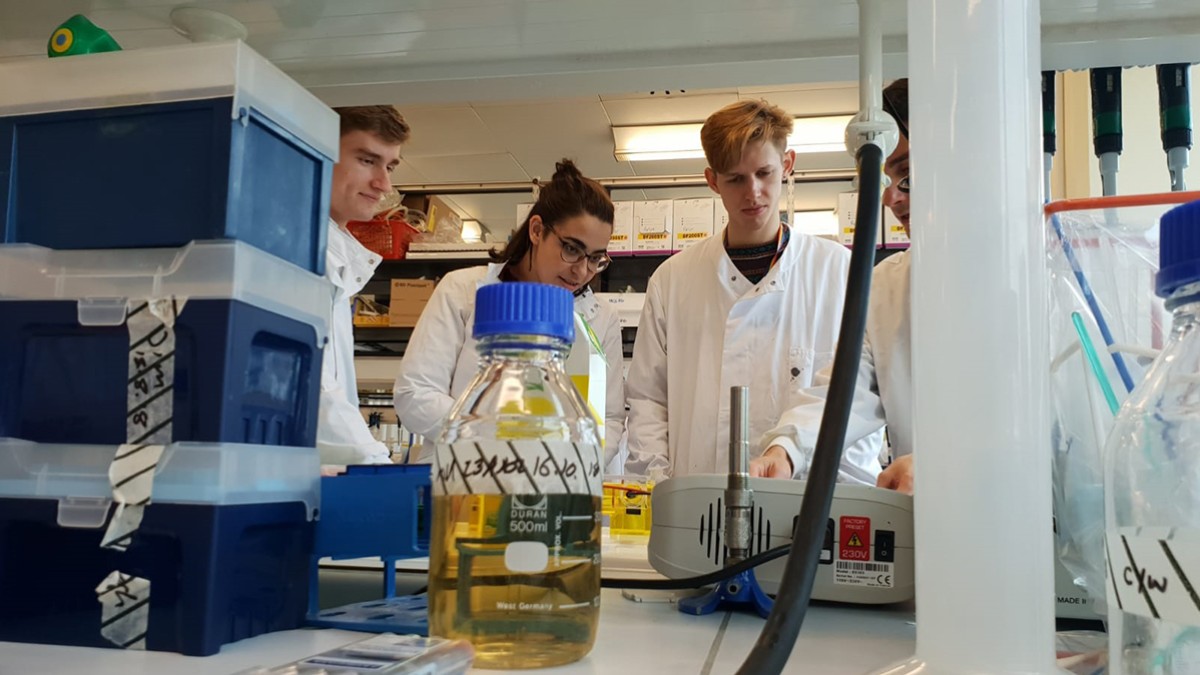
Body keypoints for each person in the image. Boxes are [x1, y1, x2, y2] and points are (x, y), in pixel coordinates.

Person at [624, 99, 872, 480]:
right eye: (735, 179)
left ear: (787, 164)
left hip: (810, 513)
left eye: (764, 173)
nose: (752, 192)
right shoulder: (672, 280)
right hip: (697, 505)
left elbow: (861, 401)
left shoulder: (838, 271)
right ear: (712, 180)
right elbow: (648, 403)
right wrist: (660, 489)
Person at [393, 159, 626, 466]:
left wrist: (567, 466)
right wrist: (502, 440)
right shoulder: (463, 290)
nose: (582, 270)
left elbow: (608, 417)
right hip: (459, 478)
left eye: (596, 258)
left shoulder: (601, 318)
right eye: (572, 249)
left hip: (556, 485)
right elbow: (416, 394)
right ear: (537, 229)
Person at [751, 79, 915, 493]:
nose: (891, 199)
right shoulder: (887, 287)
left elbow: (1060, 431)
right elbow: (844, 387)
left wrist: (948, 464)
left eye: (908, 176)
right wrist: (787, 447)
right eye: (885, 181)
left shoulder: (1037, 272)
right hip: (925, 528)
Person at [319, 105, 411, 466]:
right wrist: (379, 470)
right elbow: (311, 390)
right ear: (315, 151)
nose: (384, 184)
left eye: (389, 166)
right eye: (367, 160)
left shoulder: (333, 253)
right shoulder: (293, 249)